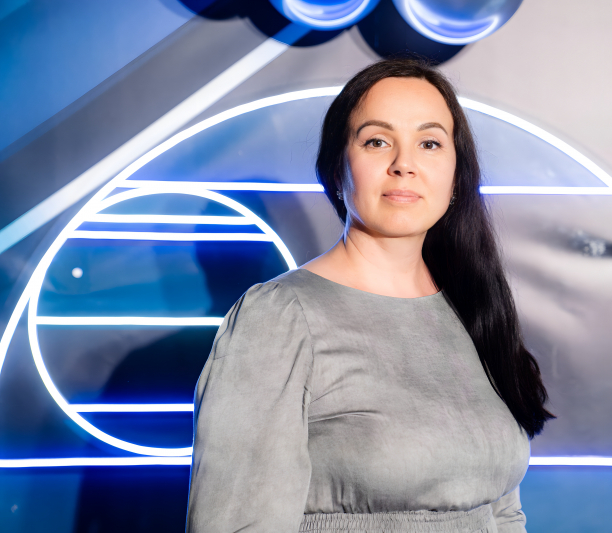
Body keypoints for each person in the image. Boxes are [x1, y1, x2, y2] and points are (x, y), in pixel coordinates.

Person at [185, 58, 553, 533]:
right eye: (377, 141)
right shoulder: (278, 317)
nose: (404, 164)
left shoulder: (473, 308)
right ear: (337, 171)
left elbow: (502, 511)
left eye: (429, 143)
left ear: (456, 176)